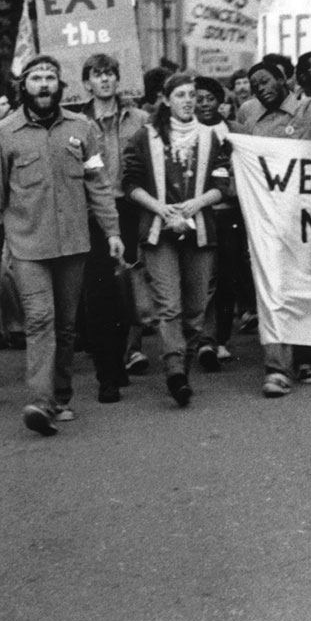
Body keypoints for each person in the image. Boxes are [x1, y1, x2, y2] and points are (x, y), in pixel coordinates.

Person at [0, 55, 123, 437]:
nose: (43, 84)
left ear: (60, 85)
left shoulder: (82, 128)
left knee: (67, 326)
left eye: (50, 78)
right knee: (40, 320)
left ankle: (61, 395)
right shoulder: (4, 134)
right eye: (36, 78)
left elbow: (98, 184)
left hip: (74, 244)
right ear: (24, 86)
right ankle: (40, 402)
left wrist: (113, 231)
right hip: (28, 246)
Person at [233, 54, 311, 394]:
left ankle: (306, 357)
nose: (260, 89)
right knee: (274, 290)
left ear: (283, 80)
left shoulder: (309, 111)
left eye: (266, 81)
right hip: (269, 221)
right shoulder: (247, 114)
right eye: (255, 85)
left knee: (305, 288)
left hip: (308, 220)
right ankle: (277, 369)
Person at [122, 74, 229, 408]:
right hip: (159, 227)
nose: (188, 101)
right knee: (169, 304)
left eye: (192, 95)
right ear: (166, 100)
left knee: (196, 307)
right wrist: (162, 209)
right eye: (180, 95)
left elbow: (223, 183)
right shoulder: (147, 135)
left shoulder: (213, 136)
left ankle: (183, 358)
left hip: (200, 227)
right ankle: (174, 370)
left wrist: (197, 203)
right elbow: (130, 183)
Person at [68, 53, 149, 402]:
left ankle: (125, 355)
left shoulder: (140, 119)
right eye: (97, 75)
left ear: (118, 79)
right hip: (94, 213)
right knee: (100, 293)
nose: (104, 80)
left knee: (127, 290)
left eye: (110, 74)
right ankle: (107, 374)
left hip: (131, 207)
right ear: (86, 82)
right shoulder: (74, 122)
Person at [195, 75, 246, 364]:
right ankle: (205, 339)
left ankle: (221, 337)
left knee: (227, 277)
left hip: (231, 213)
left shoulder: (235, 130)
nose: (203, 104)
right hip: (202, 212)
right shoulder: (186, 131)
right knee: (205, 277)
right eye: (198, 99)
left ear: (220, 101)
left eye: (209, 99)